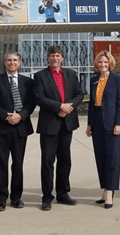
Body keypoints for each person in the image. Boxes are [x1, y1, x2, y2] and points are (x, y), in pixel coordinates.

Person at [34, 45, 83, 211]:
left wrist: (69, 106)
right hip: (49, 125)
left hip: (67, 124)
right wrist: (59, 107)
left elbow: (79, 94)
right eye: (52, 56)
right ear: (48, 58)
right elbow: (38, 98)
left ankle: (63, 194)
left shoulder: (71, 74)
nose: (55, 58)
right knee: (47, 162)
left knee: (65, 160)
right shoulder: (40, 76)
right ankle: (47, 197)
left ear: (62, 58)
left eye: (58, 55)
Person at [0, 52, 36, 212]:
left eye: (15, 60)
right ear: (5, 62)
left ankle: (16, 197)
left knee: (18, 164)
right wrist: (6, 117)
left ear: (19, 62)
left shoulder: (28, 82)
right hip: (1, 128)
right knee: (0, 163)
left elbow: (32, 103)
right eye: (9, 60)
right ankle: (1, 199)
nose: (12, 62)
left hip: (20, 128)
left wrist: (20, 116)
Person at [86, 51, 120, 209]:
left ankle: (110, 191)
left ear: (110, 63)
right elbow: (91, 104)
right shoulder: (94, 80)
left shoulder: (117, 79)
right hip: (97, 123)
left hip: (111, 123)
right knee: (100, 158)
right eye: (100, 62)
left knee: (112, 158)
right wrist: (89, 124)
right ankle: (105, 188)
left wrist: (119, 123)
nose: (102, 64)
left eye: (105, 62)